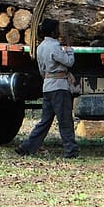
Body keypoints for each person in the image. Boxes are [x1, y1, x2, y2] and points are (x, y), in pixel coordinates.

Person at [16, 18, 79, 158]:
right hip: (59, 87)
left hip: (48, 86)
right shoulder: (54, 46)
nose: (59, 32)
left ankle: (27, 147)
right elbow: (69, 62)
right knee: (65, 120)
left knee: (44, 121)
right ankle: (71, 150)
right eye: (57, 29)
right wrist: (69, 49)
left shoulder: (41, 47)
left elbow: (41, 70)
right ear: (52, 31)